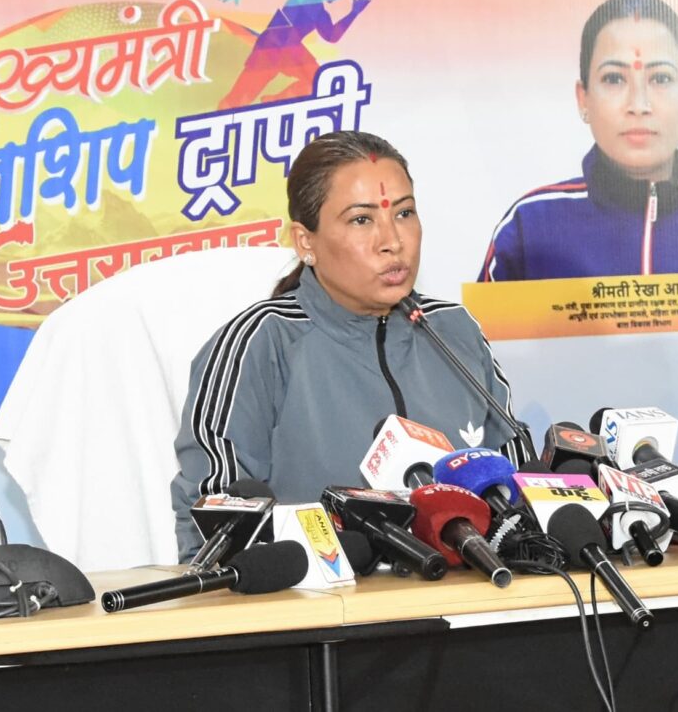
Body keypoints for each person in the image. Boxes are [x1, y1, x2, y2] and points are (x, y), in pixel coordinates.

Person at [172, 131, 521, 551]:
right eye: (361, 220)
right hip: (320, 591)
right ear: (306, 242)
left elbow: (519, 493)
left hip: (476, 586)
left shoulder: (454, 331)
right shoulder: (260, 343)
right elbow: (213, 529)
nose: (392, 241)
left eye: (404, 213)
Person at [479, 0, 678, 281]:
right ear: (583, 98)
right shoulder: (529, 228)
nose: (639, 105)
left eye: (661, 78)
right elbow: (476, 331)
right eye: (614, 79)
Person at [215, 0, 371, 108]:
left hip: (292, 52)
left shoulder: (321, 12)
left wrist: (353, 13)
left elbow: (332, 36)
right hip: (271, 48)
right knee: (237, 100)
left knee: (320, 82)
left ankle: (275, 102)